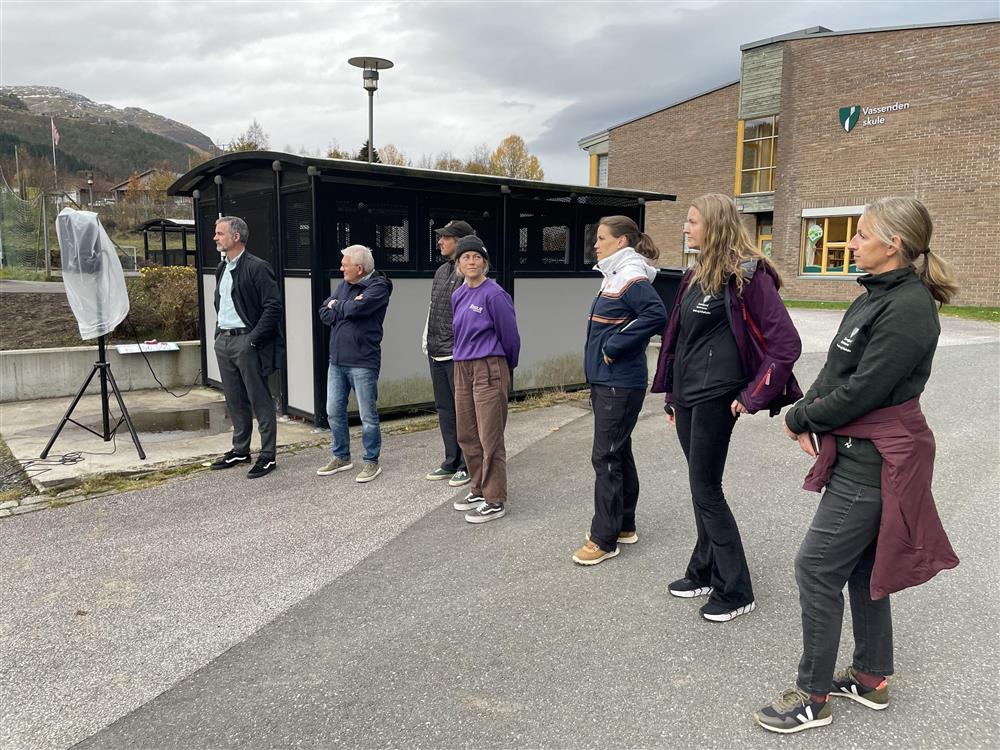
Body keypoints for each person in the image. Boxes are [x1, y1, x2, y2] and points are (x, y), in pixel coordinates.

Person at [754, 197, 960, 734]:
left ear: (893, 244)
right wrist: (805, 415)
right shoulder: (872, 297)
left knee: (816, 567)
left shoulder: (910, 308)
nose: (850, 242)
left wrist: (802, 416)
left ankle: (812, 696)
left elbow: (868, 389)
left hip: (877, 459)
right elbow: (837, 371)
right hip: (854, 448)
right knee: (864, 568)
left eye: (861, 234)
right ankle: (870, 679)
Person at [651, 193, 802, 621]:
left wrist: (751, 396)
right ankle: (703, 570)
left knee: (706, 490)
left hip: (719, 398)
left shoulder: (749, 277)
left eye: (692, 221)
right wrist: (671, 395)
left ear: (715, 226)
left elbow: (786, 345)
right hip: (687, 397)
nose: (685, 227)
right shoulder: (694, 274)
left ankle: (736, 590)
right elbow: (679, 340)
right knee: (701, 486)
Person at [572, 216, 667, 566]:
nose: (596, 245)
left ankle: (604, 538)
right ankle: (623, 525)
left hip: (619, 382)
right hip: (609, 380)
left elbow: (657, 314)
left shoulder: (631, 275)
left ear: (622, 241)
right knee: (618, 451)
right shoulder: (616, 274)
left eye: (601, 238)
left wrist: (614, 345)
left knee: (605, 456)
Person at [450, 235, 520, 524]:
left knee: (489, 435)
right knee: (467, 433)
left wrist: (505, 369)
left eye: (477, 257)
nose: (471, 261)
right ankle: (477, 488)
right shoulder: (458, 295)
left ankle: (495, 498)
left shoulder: (494, 294)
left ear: (485, 262)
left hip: (489, 368)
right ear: (459, 263)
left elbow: (511, 337)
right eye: (466, 257)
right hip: (462, 367)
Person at [210, 216, 284, 479]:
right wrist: (219, 334)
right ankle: (241, 450)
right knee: (234, 398)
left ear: (236, 237)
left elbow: (273, 307)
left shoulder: (257, 267)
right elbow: (221, 303)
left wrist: (252, 340)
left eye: (220, 233)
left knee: (259, 398)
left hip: (246, 341)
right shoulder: (223, 268)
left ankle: (267, 455)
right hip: (225, 341)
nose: (216, 238)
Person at [316, 245, 393, 483]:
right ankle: (342, 456)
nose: (341, 268)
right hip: (337, 360)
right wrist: (343, 307)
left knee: (367, 415)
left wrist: (338, 306)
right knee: (333, 411)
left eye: (344, 264)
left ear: (359, 268)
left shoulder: (378, 287)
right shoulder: (346, 285)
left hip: (363, 362)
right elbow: (323, 312)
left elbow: (356, 308)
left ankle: (371, 461)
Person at [421, 220, 475, 488]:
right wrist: (425, 339)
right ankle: (450, 460)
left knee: (464, 411)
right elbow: (434, 308)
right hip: (436, 351)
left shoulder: (469, 273)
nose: (440, 242)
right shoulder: (441, 271)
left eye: (446, 238)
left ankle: (468, 464)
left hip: (457, 355)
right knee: (445, 410)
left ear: (461, 240)